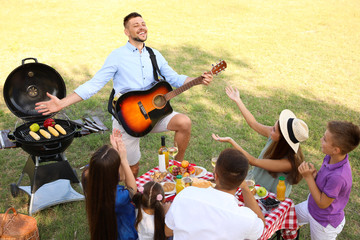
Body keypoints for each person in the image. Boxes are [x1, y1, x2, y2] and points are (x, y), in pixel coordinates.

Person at [35, 12, 213, 177]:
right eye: (136, 25)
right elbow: (94, 84)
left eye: (143, 23)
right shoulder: (117, 56)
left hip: (155, 114)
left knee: (184, 122)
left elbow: (174, 78)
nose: (142, 27)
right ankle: (129, 197)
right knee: (131, 168)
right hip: (128, 118)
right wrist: (61, 104)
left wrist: (197, 79)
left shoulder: (154, 54)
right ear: (127, 32)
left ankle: (177, 164)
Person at [212, 86, 309, 197]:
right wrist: (238, 100)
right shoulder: (275, 136)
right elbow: (254, 124)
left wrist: (231, 141)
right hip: (254, 186)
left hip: (268, 196)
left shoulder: (288, 164)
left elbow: (253, 161)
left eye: (274, 129)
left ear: (283, 140)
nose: (270, 129)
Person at [165, 148, 265, 240]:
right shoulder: (246, 218)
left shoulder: (185, 194)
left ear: (215, 175)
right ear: (242, 180)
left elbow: (168, 231)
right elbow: (261, 227)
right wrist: (246, 188)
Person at [295, 121, 360, 240]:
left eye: (325, 139)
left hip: (324, 223)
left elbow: (322, 203)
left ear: (336, 150)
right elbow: (324, 184)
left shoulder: (339, 176)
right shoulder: (330, 157)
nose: (321, 139)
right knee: (290, 217)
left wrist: (308, 178)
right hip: (311, 207)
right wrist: (315, 176)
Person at [81, 129, 138, 240]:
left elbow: (119, 176)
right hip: (124, 235)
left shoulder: (89, 174)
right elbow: (132, 189)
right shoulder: (117, 198)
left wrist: (115, 150)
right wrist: (123, 160)